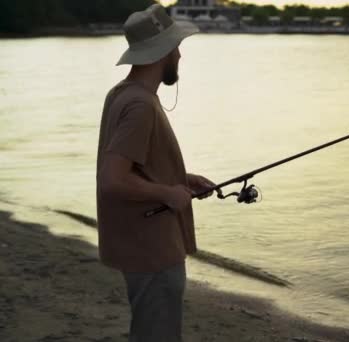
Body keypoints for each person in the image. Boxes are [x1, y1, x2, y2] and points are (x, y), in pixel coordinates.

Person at [95, 4, 214, 341]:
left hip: (140, 243)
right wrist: (168, 193)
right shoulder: (140, 105)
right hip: (152, 249)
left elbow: (133, 165)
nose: (179, 55)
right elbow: (113, 179)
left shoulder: (123, 93)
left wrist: (181, 178)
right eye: (176, 47)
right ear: (162, 52)